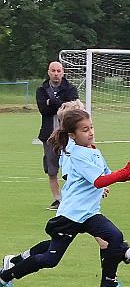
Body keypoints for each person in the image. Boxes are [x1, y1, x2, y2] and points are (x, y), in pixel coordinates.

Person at [0, 109, 130, 287]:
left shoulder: (94, 150)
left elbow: (107, 174)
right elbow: (99, 181)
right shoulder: (78, 154)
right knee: (50, 259)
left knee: (115, 237)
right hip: (70, 216)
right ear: (72, 135)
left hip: (89, 214)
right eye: (84, 130)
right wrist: (126, 171)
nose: (90, 132)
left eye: (91, 127)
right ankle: (5, 276)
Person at [36, 61, 79, 211]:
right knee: (52, 169)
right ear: (48, 72)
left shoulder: (70, 88)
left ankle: (72, 198)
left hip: (69, 135)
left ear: (63, 72)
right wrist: (59, 104)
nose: (56, 73)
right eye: (53, 70)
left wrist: (53, 102)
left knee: (72, 167)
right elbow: (44, 110)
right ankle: (58, 200)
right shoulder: (42, 90)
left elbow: (71, 109)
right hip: (49, 136)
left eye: (58, 71)